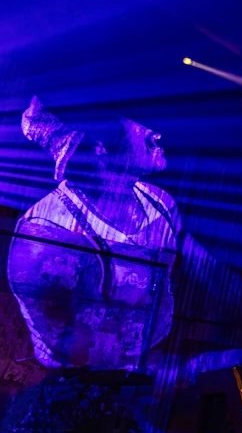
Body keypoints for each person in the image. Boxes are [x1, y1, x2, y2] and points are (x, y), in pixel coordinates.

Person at [6, 96, 179, 372]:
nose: (155, 132)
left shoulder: (160, 205)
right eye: (137, 120)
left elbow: (161, 294)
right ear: (100, 147)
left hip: (139, 378)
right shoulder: (46, 233)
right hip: (71, 387)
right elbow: (75, 348)